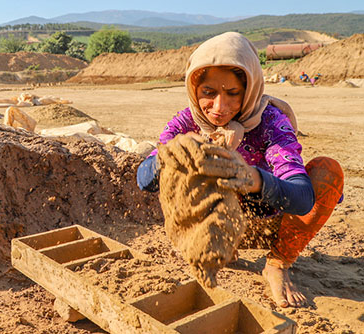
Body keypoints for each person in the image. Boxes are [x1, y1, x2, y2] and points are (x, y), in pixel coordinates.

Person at [136, 32, 344, 308]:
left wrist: (254, 178)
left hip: (272, 222)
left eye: (233, 93)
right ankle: (220, 246)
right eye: (208, 93)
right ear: (194, 88)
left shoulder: (270, 121)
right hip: (219, 223)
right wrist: (174, 153)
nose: (219, 108)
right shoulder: (186, 122)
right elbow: (144, 180)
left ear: (250, 89)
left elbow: (304, 199)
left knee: (328, 171)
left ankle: (278, 264)